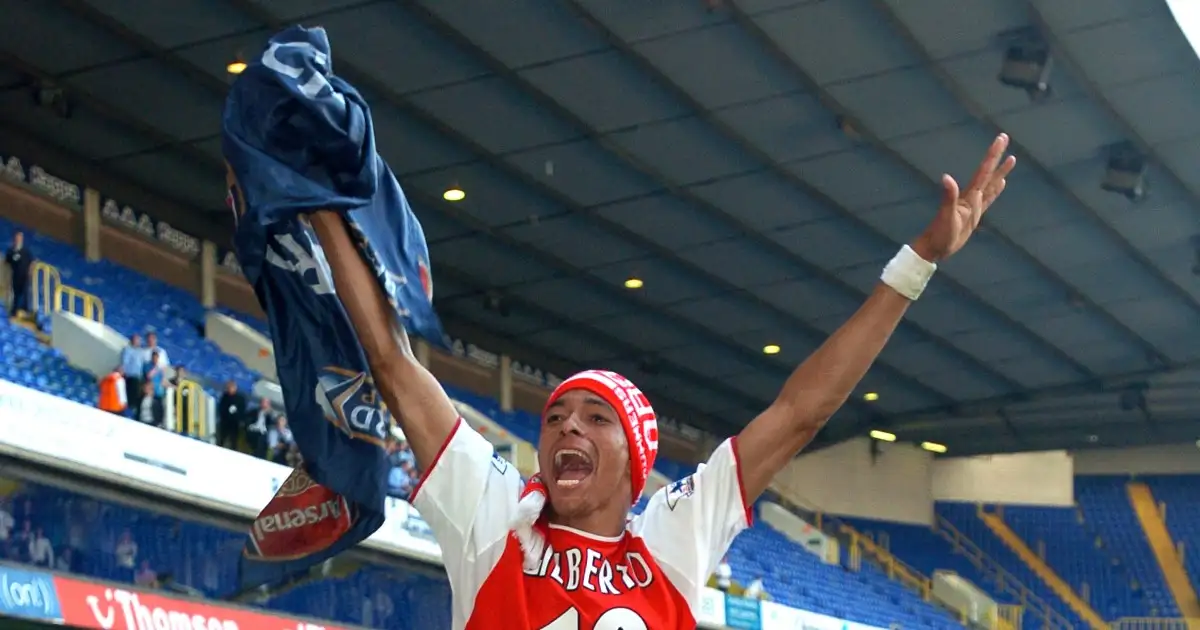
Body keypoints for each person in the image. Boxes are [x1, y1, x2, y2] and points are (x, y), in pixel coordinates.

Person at [305, 133, 1016, 628]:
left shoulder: (672, 541)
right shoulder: (492, 518)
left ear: (636, 459)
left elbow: (802, 410)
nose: (566, 428)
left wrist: (918, 261)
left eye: (594, 416)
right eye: (555, 418)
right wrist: (314, 201)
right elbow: (395, 366)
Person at [4, 231, 34, 319]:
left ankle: (25, 311)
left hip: (25, 276)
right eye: (17, 238)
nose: (18, 240)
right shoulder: (11, 251)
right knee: (16, 294)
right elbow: (7, 262)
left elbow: (32, 261)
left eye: (20, 238)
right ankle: (14, 312)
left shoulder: (26, 251)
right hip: (16, 276)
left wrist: (30, 271)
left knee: (25, 293)